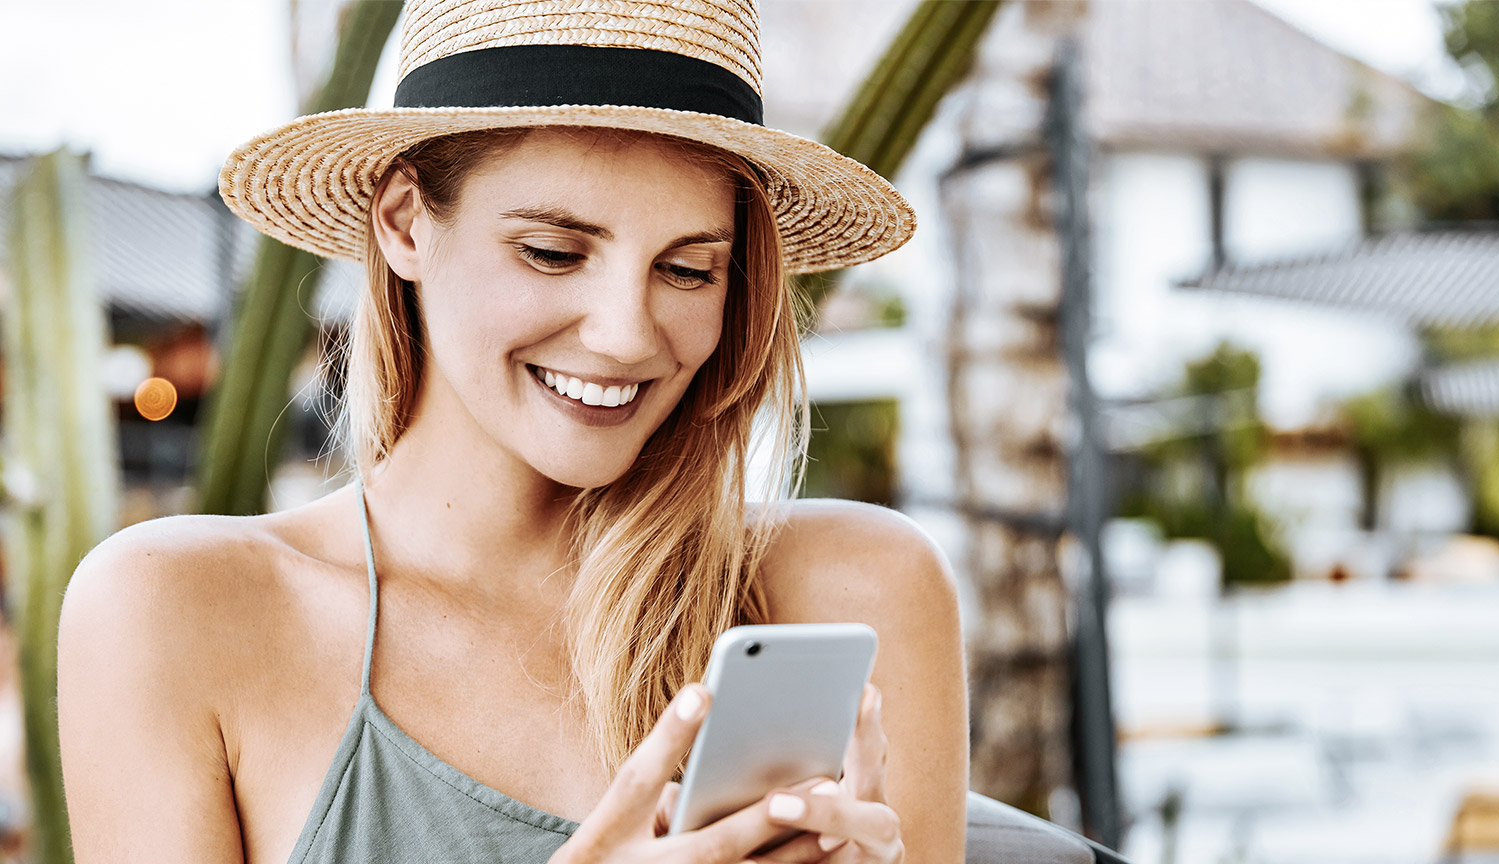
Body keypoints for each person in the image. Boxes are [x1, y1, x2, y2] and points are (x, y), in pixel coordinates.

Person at [56, 2, 968, 862]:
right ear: (405, 222)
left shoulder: (854, 589)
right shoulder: (178, 612)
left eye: (688, 270)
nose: (625, 333)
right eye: (553, 252)